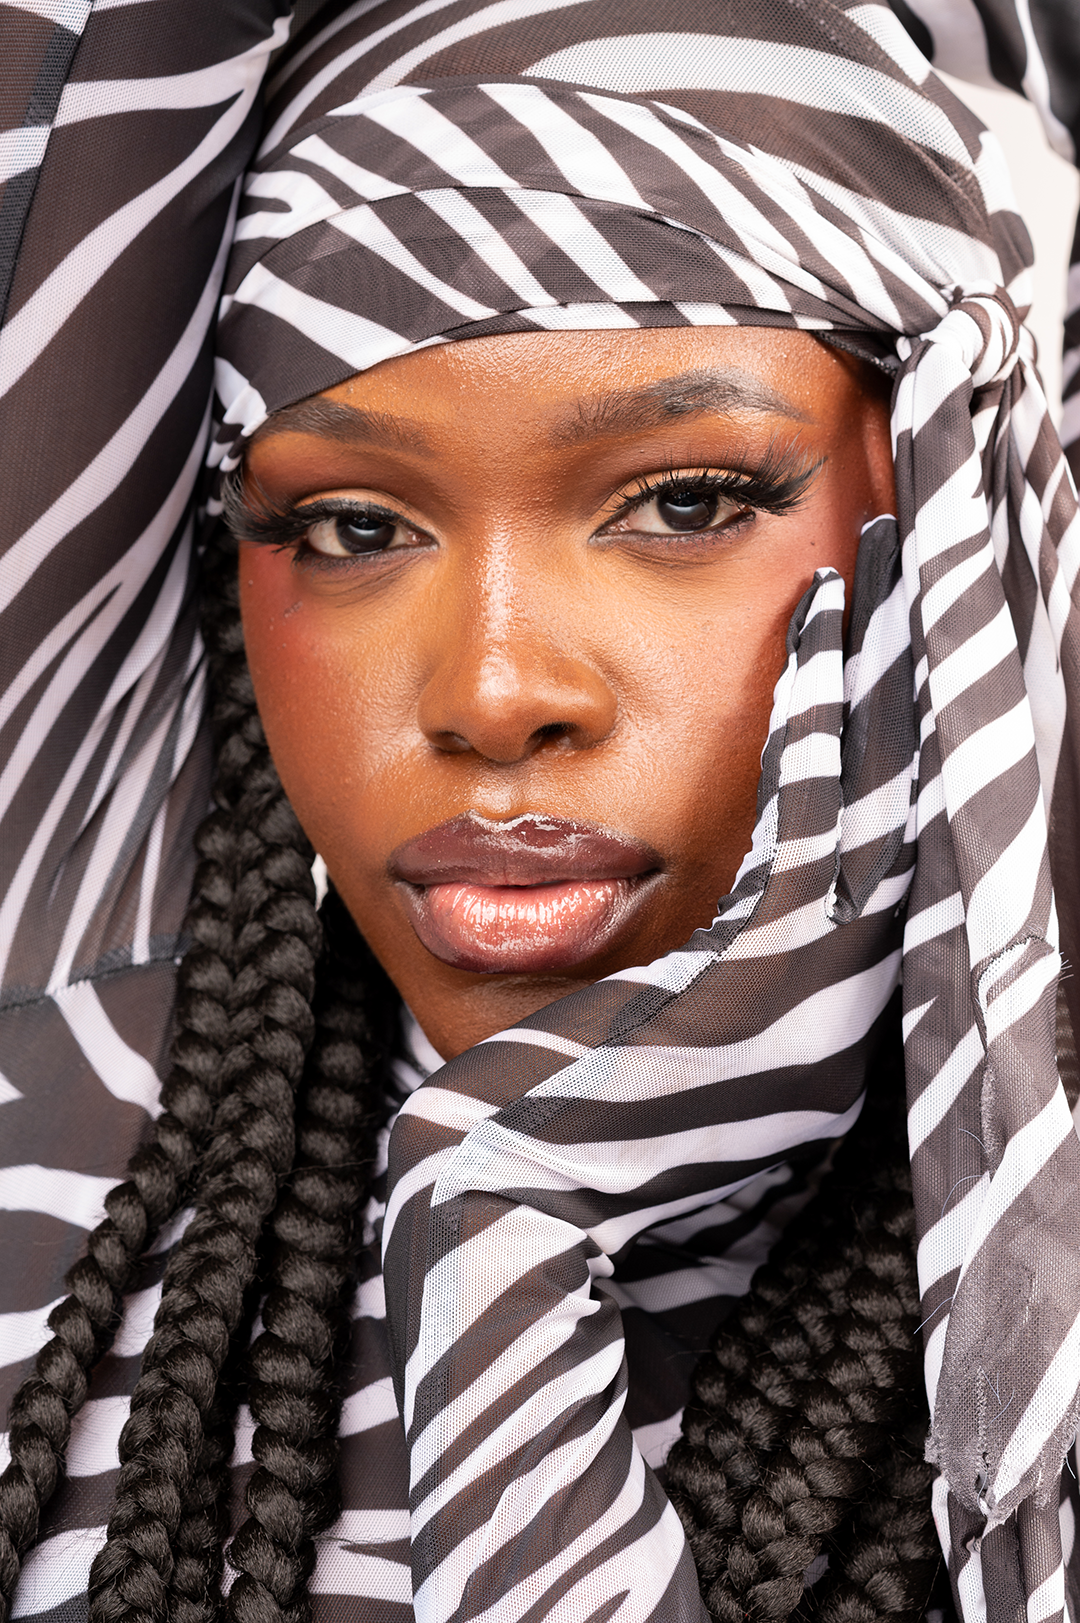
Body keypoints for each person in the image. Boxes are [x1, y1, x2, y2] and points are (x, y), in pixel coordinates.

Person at [2, 2, 1080, 1621]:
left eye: (687, 501)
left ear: (950, 510)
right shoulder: (72, 1194)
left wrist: (508, 1210)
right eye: (355, 525)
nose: (493, 690)